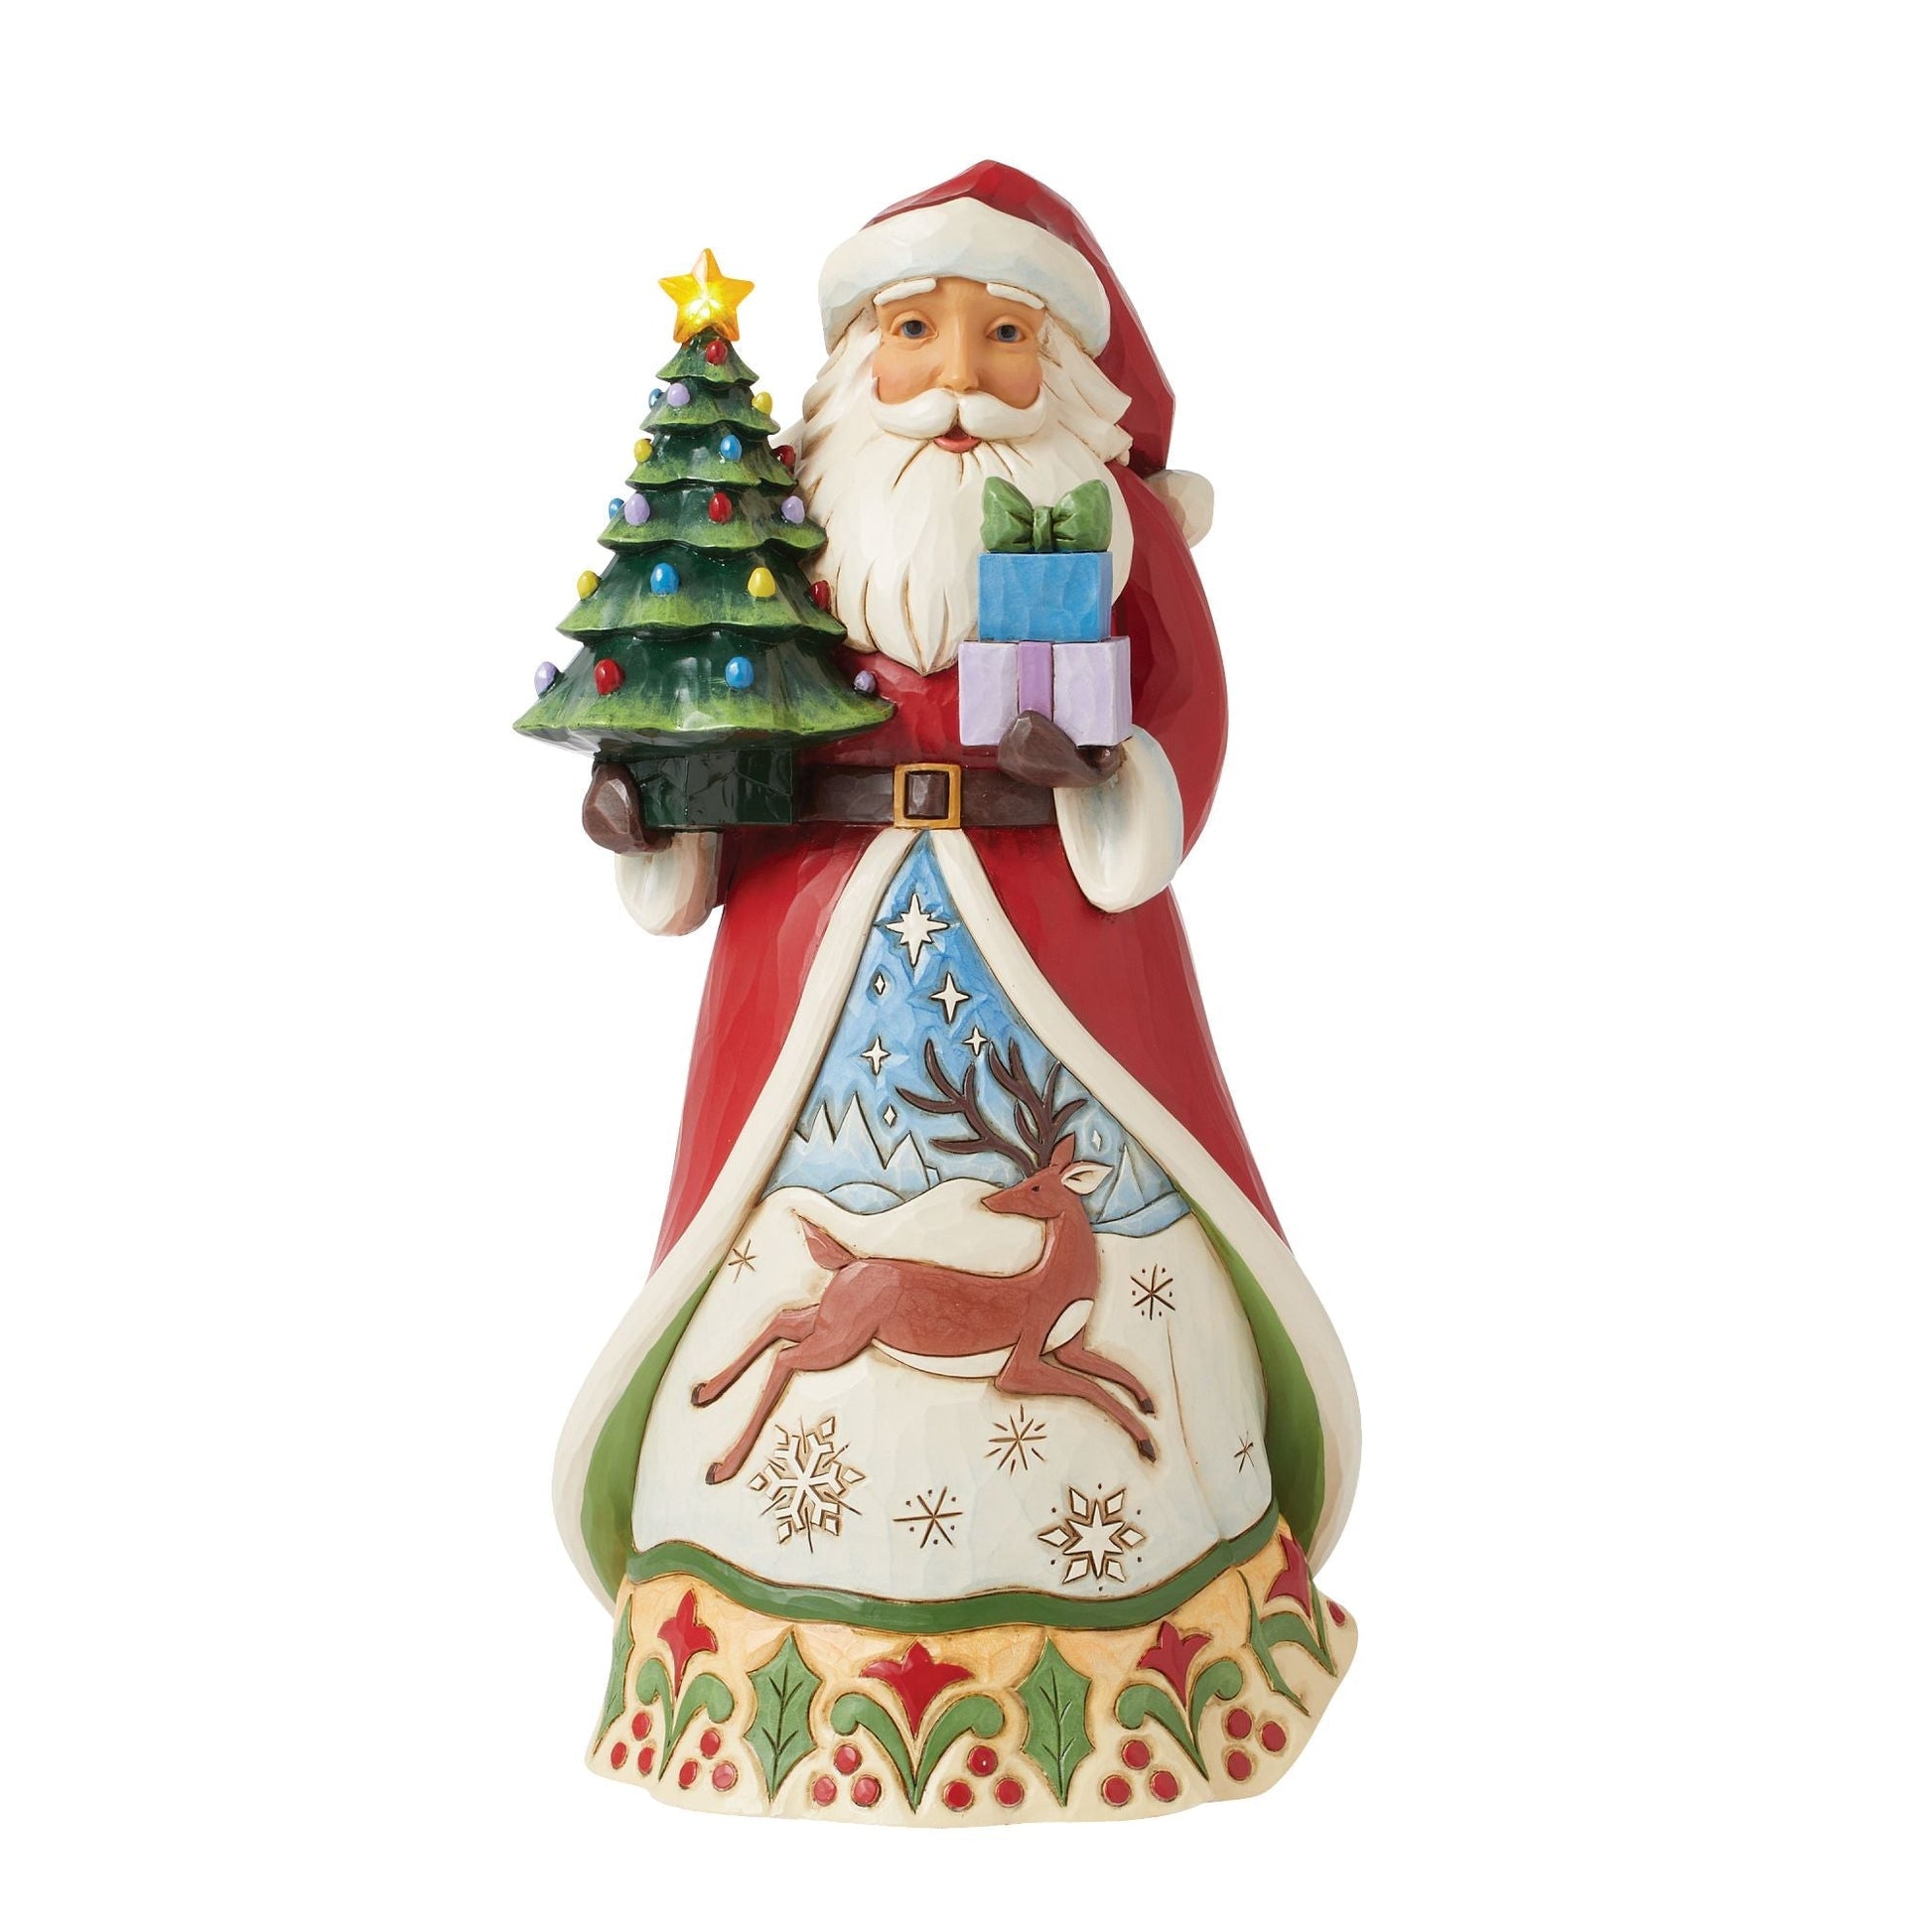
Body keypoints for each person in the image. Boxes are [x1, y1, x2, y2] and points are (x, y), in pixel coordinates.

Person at [556, 162, 1359, 1823]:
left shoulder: (1110, 523)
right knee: (777, 1216)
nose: (957, 377)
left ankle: (1141, 1631)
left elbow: (1189, 710)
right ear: (859, 360)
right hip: (817, 936)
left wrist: (1116, 774)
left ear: (1061, 364)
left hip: (1057, 938)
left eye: (1002, 335)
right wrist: (665, 810)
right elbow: (725, 702)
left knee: (1116, 1235)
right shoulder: (784, 518)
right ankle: (763, 1636)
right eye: (915, 333)